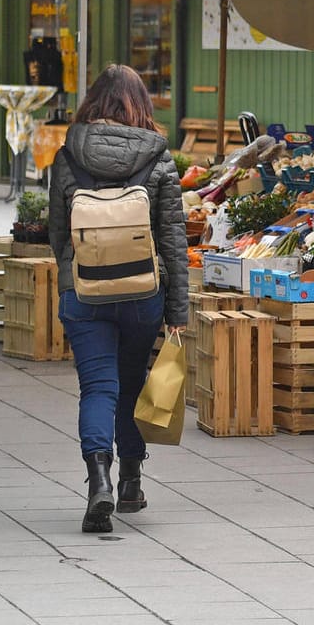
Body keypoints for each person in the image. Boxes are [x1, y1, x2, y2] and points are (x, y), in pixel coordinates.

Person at [49, 64, 187, 533]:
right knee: (131, 382)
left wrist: (74, 273)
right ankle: (131, 481)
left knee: (98, 387)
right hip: (143, 291)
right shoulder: (159, 158)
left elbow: (55, 231)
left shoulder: (68, 155)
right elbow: (172, 239)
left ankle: (98, 483)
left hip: (84, 291)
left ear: (93, 102)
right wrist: (177, 311)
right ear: (140, 105)